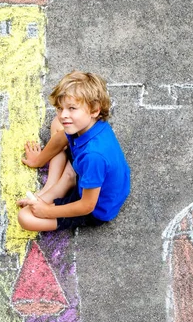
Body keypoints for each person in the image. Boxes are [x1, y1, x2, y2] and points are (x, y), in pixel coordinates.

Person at [17, 71, 130, 232]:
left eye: (72, 108)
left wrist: (47, 211)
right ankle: (60, 183)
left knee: (25, 218)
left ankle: (62, 184)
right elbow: (60, 137)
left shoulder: (94, 156)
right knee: (58, 124)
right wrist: (38, 160)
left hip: (95, 208)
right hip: (88, 171)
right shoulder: (92, 125)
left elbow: (86, 205)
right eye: (59, 108)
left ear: (94, 110)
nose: (64, 115)